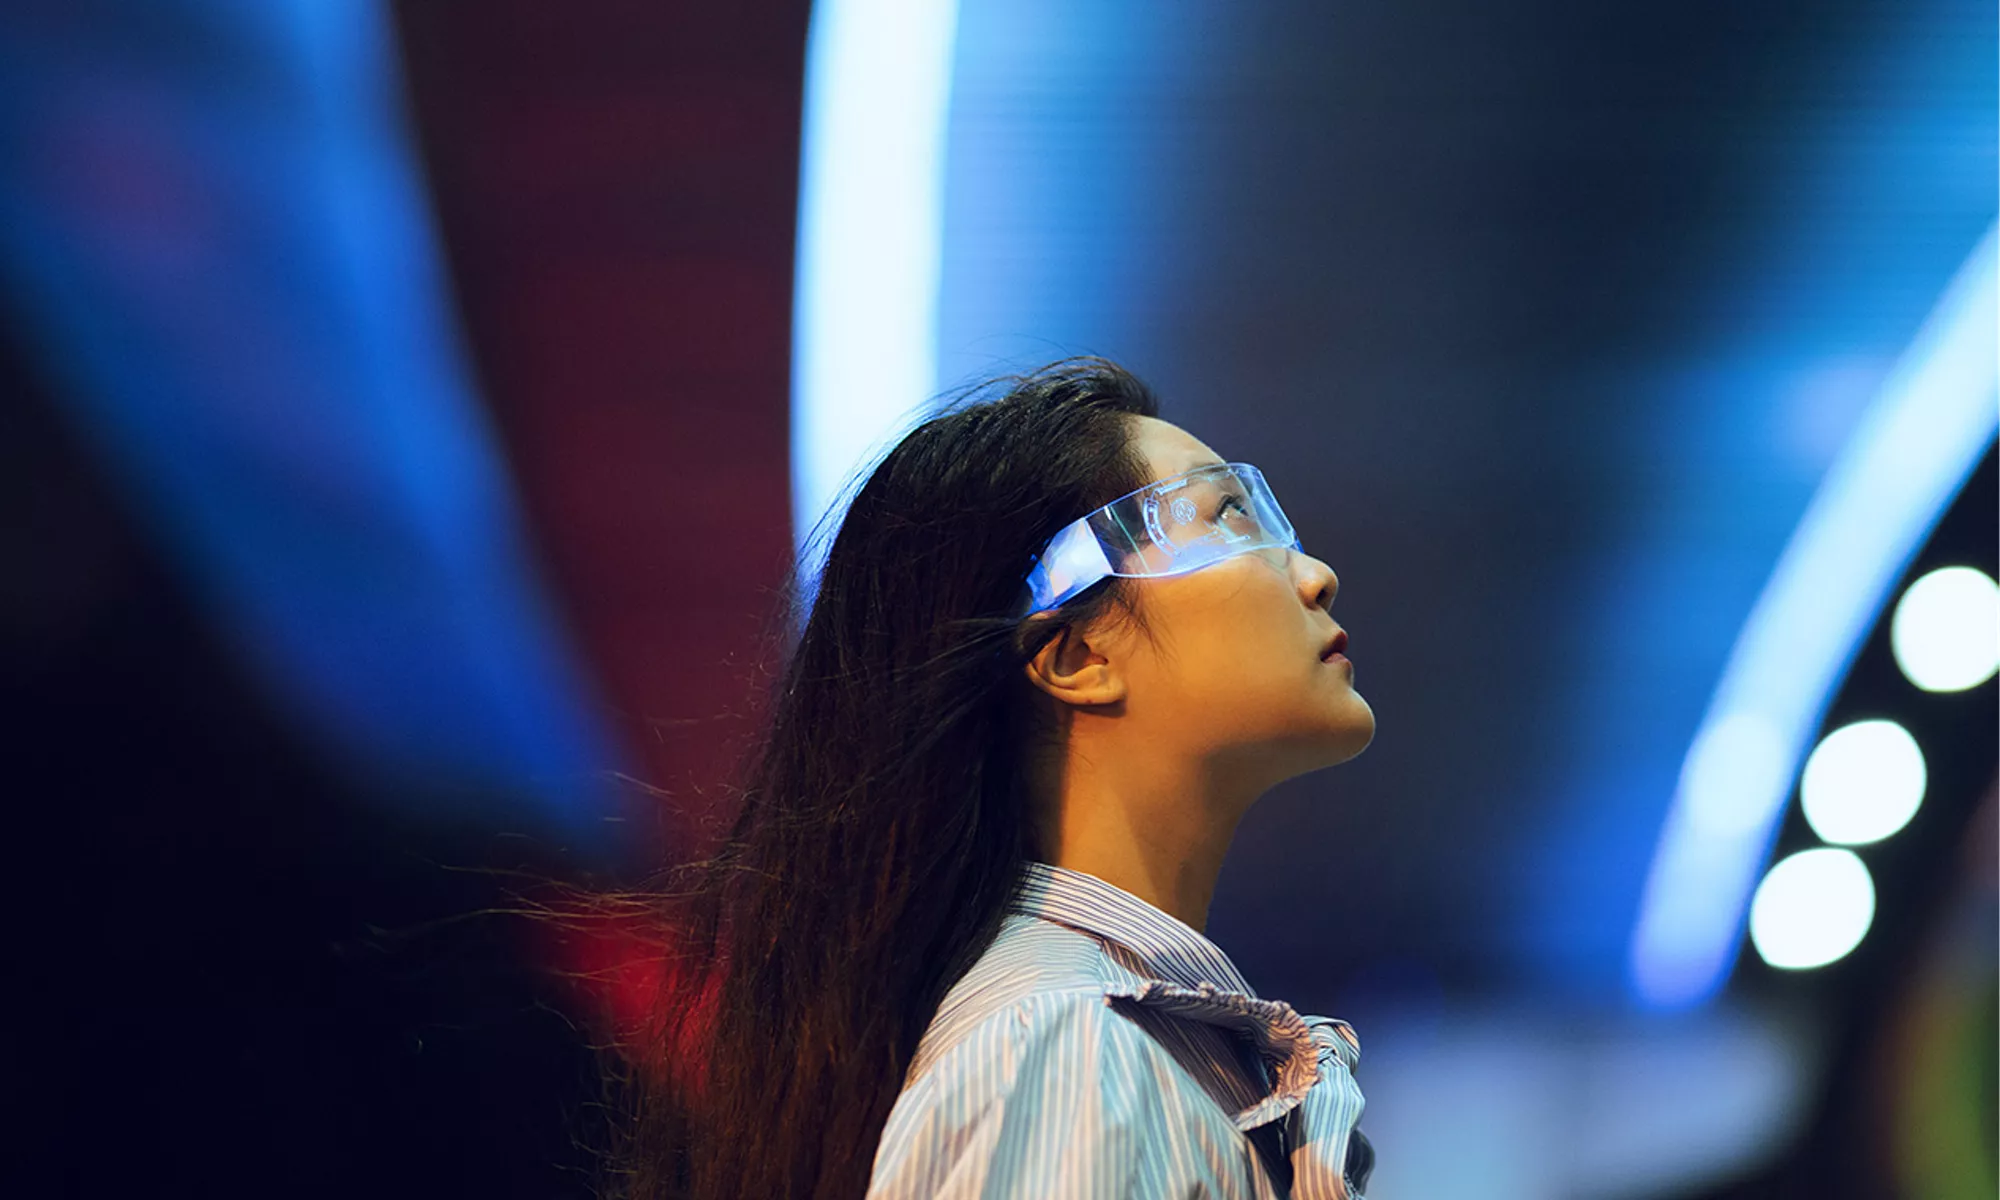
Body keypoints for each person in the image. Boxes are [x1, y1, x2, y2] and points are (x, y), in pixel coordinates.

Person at [624, 359, 1376, 1199]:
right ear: (1077, 656)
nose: (1314, 575)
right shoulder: (1071, 1056)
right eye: (1227, 518)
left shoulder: (1102, 1049)